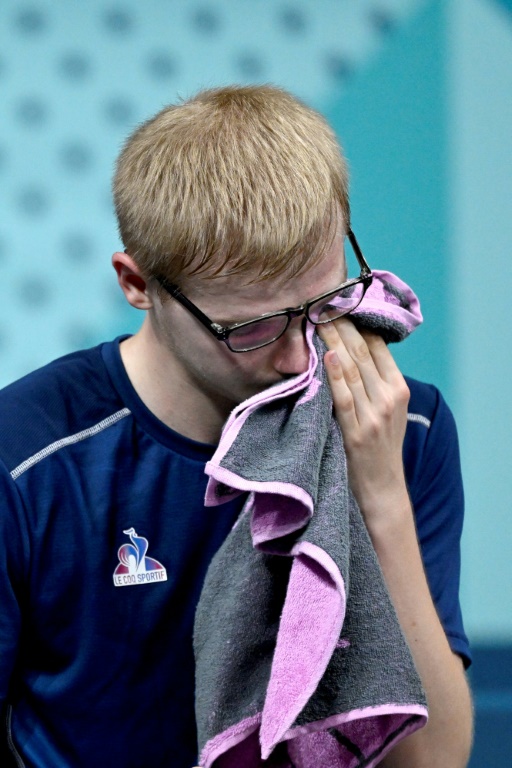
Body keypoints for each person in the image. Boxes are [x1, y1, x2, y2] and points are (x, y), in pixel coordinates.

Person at [0, 85, 472, 767]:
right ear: (138, 284)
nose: (296, 355)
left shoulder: (402, 422)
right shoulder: (25, 459)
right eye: (250, 328)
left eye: (323, 303)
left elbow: (434, 761)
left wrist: (381, 495)